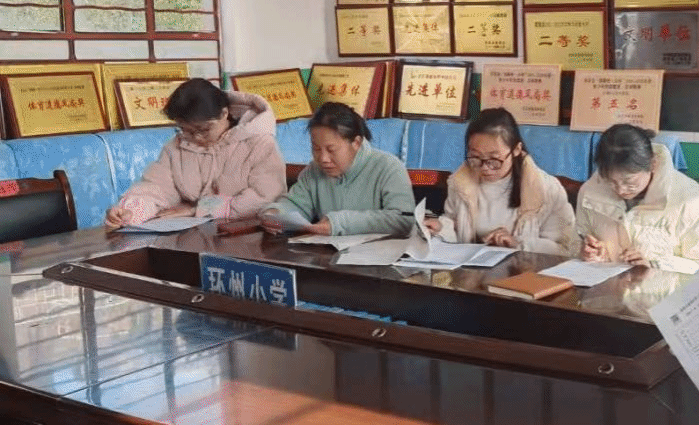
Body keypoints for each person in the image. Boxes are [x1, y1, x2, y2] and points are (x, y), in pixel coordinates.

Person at [104, 78, 285, 227]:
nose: (196, 137)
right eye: (186, 130)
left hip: (244, 235)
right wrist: (130, 211)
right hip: (191, 235)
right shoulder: (176, 147)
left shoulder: (259, 144)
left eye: (204, 129)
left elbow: (265, 198)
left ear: (224, 113)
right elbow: (156, 187)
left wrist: (198, 210)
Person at [422, 107, 576, 254]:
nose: (485, 167)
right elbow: (454, 226)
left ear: (516, 150)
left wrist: (518, 243)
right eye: (475, 157)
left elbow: (566, 249)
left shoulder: (546, 189)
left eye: (494, 159)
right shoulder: (460, 182)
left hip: (524, 271)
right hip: (472, 269)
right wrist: (441, 229)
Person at [575, 124, 699, 274]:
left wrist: (656, 265)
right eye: (611, 181)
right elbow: (577, 240)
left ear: (652, 164)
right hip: (607, 286)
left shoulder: (698, 204)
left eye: (629, 182)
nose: (620, 190)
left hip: (665, 289)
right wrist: (588, 252)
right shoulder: (590, 192)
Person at [261, 102, 413, 237]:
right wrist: (276, 214)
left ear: (356, 143)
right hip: (326, 254)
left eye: (331, 149)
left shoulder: (388, 167)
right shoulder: (313, 171)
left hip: (378, 256)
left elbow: (403, 219)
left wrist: (339, 223)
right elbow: (297, 204)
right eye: (316, 149)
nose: (323, 158)